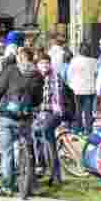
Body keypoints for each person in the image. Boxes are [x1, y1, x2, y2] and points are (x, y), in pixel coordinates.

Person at [0, 47, 44, 196]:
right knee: (26, 146)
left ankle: (7, 187)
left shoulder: (11, 70)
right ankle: (28, 183)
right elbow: (38, 99)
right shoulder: (37, 74)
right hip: (25, 117)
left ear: (20, 57)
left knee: (7, 151)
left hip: (8, 115)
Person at [36, 54, 66, 185]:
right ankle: (40, 166)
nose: (44, 65)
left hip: (53, 112)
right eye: (42, 63)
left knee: (48, 137)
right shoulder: (36, 76)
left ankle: (56, 174)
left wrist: (41, 107)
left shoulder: (54, 77)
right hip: (40, 113)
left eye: (46, 63)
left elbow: (57, 99)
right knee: (35, 135)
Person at [67, 43, 98, 135]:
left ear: (79, 51)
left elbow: (69, 75)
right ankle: (88, 130)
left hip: (77, 89)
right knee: (88, 111)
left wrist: (71, 85)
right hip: (89, 89)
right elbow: (96, 74)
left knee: (78, 110)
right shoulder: (94, 61)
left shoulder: (74, 61)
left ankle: (78, 129)